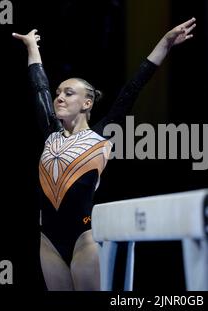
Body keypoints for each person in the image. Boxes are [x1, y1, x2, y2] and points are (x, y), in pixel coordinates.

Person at [12, 17, 196, 291]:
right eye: (59, 92)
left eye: (69, 93)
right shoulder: (51, 133)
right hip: (47, 241)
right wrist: (31, 46)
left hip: (82, 240)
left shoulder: (102, 135)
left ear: (87, 103)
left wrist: (165, 43)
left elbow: (132, 88)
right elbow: (39, 87)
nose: (59, 96)